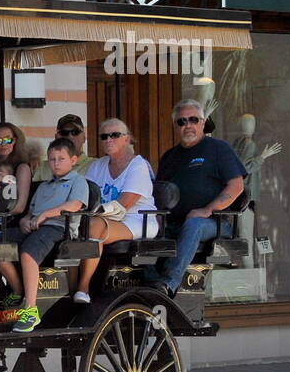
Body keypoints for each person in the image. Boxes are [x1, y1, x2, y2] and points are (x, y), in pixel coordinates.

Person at [144, 99, 246, 295]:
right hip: (173, 222)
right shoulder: (169, 157)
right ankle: (148, 282)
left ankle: (169, 282)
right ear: (175, 126)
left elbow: (237, 185)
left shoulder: (219, 148)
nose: (187, 125)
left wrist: (207, 210)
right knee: (145, 227)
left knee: (194, 224)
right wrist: (156, 216)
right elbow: (158, 193)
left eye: (193, 120)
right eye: (181, 122)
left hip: (214, 223)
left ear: (203, 122)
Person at [0, 137, 89, 333]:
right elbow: (31, 212)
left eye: (61, 159)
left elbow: (75, 205)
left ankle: (30, 311)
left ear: (73, 160)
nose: (56, 163)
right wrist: (25, 220)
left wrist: (46, 215)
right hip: (37, 226)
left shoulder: (78, 181)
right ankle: (18, 290)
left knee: (28, 253)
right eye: (52, 159)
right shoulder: (45, 186)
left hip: (58, 228)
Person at [73, 118, 157, 303]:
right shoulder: (97, 165)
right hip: (106, 219)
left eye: (115, 135)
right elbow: (83, 194)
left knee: (93, 226)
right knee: (73, 227)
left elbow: (124, 204)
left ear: (127, 139)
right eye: (104, 136)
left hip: (136, 220)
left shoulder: (138, 165)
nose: (109, 139)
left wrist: (94, 214)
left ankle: (83, 287)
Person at [0, 121, 33, 240]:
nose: (3, 144)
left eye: (8, 140)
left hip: (11, 225)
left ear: (15, 141)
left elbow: (19, 207)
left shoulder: (22, 167)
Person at [33, 113, 92, 181]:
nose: (70, 137)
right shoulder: (44, 167)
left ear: (84, 137)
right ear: (56, 137)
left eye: (75, 132)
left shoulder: (95, 166)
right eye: (64, 133)